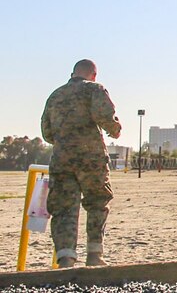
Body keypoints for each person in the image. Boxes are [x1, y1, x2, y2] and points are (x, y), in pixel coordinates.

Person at [40, 59, 122, 268]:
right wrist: (115, 129)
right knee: (97, 202)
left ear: (72, 73)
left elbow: (47, 132)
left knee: (64, 207)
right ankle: (94, 255)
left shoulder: (55, 95)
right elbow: (104, 116)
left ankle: (65, 258)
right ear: (93, 75)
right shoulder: (95, 89)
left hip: (62, 159)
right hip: (91, 158)